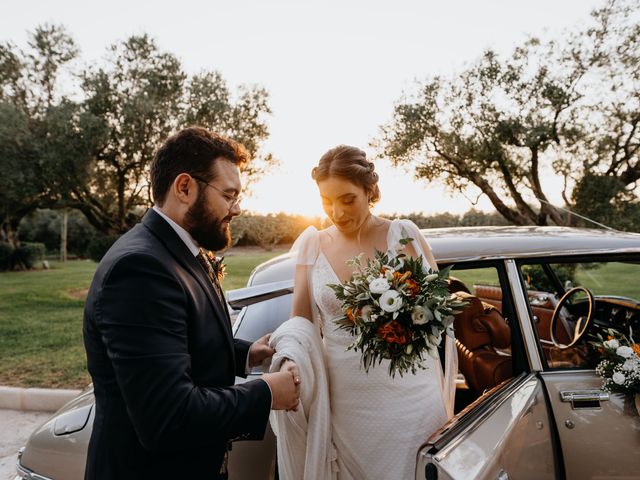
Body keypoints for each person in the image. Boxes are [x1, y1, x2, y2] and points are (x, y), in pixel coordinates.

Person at [83, 127, 300, 480]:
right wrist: (266, 393)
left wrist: (244, 354)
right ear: (184, 188)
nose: (237, 208)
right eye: (229, 195)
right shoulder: (139, 269)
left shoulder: (178, 250)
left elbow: (177, 342)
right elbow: (169, 417)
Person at [269, 145, 458, 479]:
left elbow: (437, 309)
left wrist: (408, 321)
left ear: (369, 191)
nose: (337, 213)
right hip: (347, 401)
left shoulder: (403, 235)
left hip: (410, 396)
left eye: (347, 199)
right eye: (327, 202)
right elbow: (301, 320)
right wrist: (288, 355)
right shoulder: (312, 244)